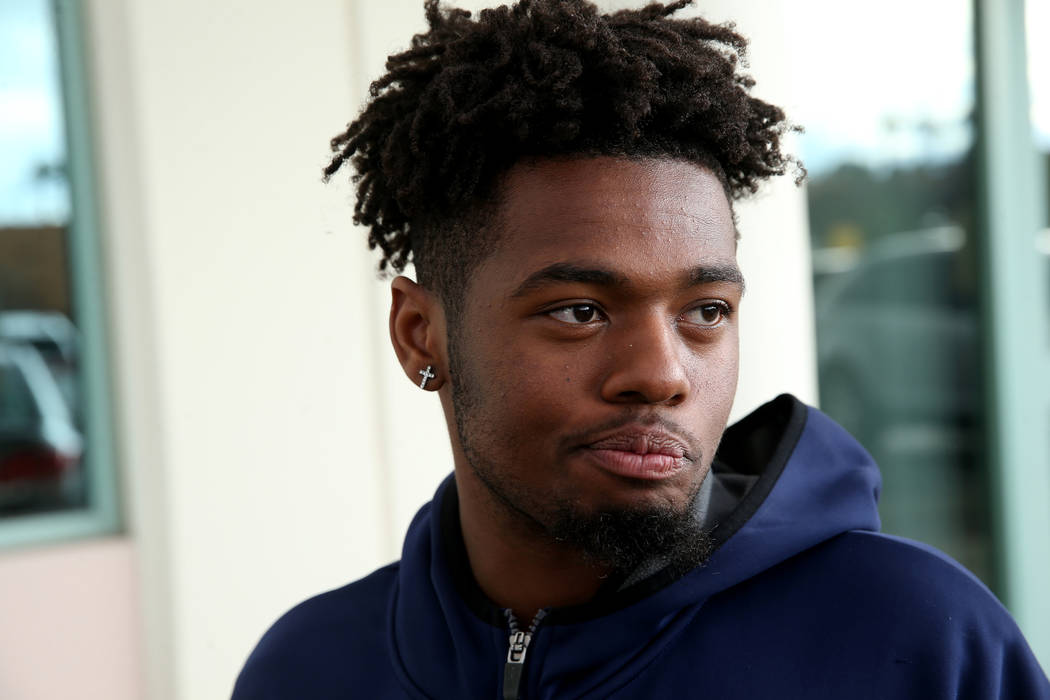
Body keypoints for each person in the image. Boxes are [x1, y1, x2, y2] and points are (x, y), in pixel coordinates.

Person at [233, 1, 1050, 697]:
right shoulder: (311, 669)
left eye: (705, 312)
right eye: (581, 310)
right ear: (421, 332)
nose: (660, 375)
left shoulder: (915, 639)